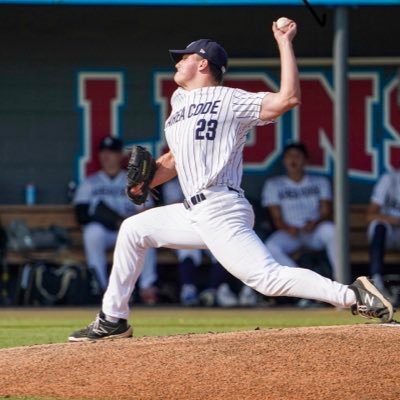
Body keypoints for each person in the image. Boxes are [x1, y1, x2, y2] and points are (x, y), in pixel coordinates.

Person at [69, 19, 393, 342]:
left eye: (185, 57)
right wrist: (148, 179)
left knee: (267, 279)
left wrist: (284, 42)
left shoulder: (231, 99)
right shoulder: (178, 103)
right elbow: (175, 160)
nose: (179, 62)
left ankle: (353, 295)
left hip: (221, 206)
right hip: (191, 211)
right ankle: (113, 319)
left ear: (203, 63)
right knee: (133, 230)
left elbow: (288, 99)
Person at [73, 135, 158, 305]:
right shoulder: (91, 183)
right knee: (92, 232)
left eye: (111, 152)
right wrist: (110, 219)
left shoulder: (133, 181)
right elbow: (81, 215)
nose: (107, 155)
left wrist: (128, 221)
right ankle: (100, 286)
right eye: (103, 151)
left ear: (120, 155)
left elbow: (149, 212)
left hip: (128, 231)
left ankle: (147, 288)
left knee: (146, 235)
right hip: (106, 233)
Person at [162, 177, 258, 307]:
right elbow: (174, 210)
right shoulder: (173, 185)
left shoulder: (211, 179)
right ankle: (188, 290)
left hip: (213, 226)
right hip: (186, 228)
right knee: (188, 253)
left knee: (223, 252)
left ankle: (213, 290)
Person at [261, 142, 338, 282]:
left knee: (332, 231)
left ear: (305, 161)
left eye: (298, 156)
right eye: (289, 156)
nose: (293, 160)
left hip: (314, 231)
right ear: (284, 161)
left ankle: (341, 279)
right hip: (290, 232)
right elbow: (276, 217)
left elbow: (326, 212)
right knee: (271, 247)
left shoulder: (320, 182)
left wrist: (315, 223)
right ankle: (303, 282)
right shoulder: (274, 184)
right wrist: (286, 228)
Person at [366, 170, 400, 293]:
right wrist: (394, 220)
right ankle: (376, 279)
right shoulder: (389, 180)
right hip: (388, 232)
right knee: (378, 225)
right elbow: (370, 215)